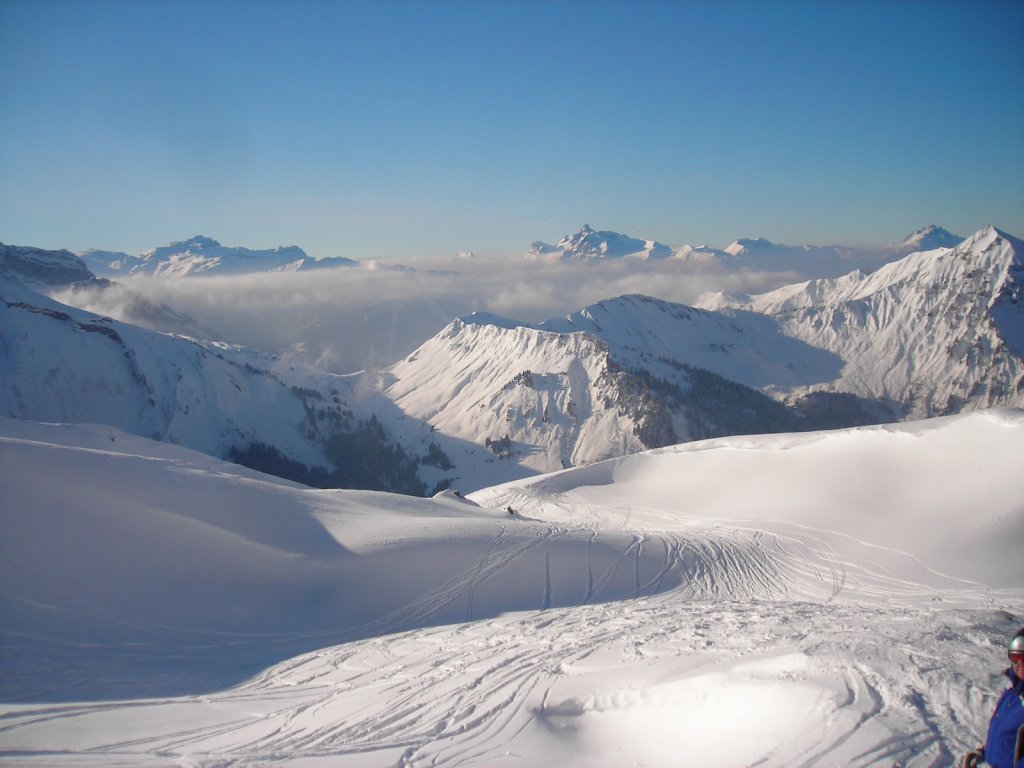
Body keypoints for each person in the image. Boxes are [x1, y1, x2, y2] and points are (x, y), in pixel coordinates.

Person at [964, 628, 1024, 768]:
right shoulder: (1013, 694)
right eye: (1016, 657)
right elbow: (1007, 737)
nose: (1020, 663)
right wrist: (984, 751)